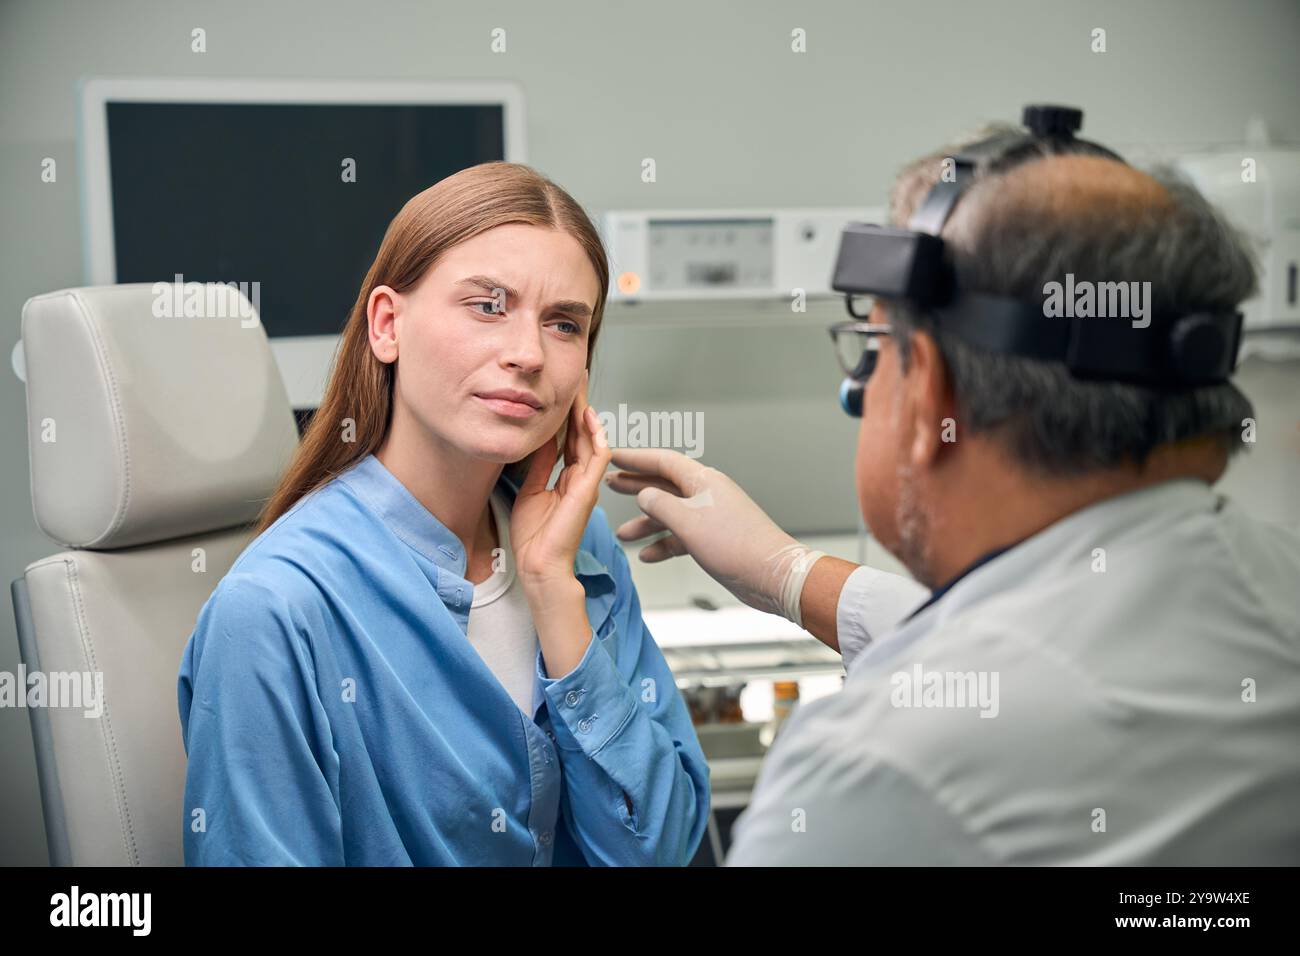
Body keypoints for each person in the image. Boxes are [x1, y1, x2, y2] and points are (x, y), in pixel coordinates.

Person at [606, 125, 1300, 865]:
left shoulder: (876, 774)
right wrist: (786, 571)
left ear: (926, 386)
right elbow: (1053, 648)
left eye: (871, 348)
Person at [177, 162, 710, 866]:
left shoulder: (580, 550)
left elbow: (659, 850)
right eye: (487, 305)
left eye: (563, 324)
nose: (527, 355)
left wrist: (553, 591)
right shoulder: (274, 611)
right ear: (387, 325)